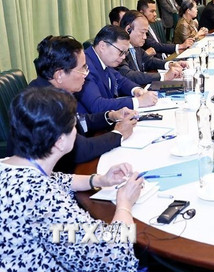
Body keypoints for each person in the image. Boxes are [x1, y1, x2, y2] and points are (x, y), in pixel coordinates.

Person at [0, 87, 143, 271]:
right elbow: (114, 258)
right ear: (60, 142)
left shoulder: (10, 166)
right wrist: (125, 204)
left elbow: (56, 179)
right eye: (73, 126)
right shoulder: (42, 196)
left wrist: (99, 180)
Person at [27, 35, 137, 172]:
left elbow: (80, 121)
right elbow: (79, 150)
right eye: (83, 68)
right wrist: (118, 134)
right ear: (59, 75)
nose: (86, 73)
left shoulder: (55, 90)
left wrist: (110, 116)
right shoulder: (44, 103)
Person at [77, 25, 158, 113]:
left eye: (125, 53)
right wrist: (138, 102)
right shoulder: (84, 66)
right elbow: (97, 105)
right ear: (102, 46)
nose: (123, 57)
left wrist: (136, 90)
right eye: (121, 52)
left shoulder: (103, 60)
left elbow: (120, 80)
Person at [117, 11, 183, 85]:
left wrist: (170, 64)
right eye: (142, 32)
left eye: (146, 33)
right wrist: (164, 76)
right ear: (128, 29)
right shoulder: (118, 51)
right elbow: (130, 75)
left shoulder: (136, 47)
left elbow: (149, 61)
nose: (145, 37)